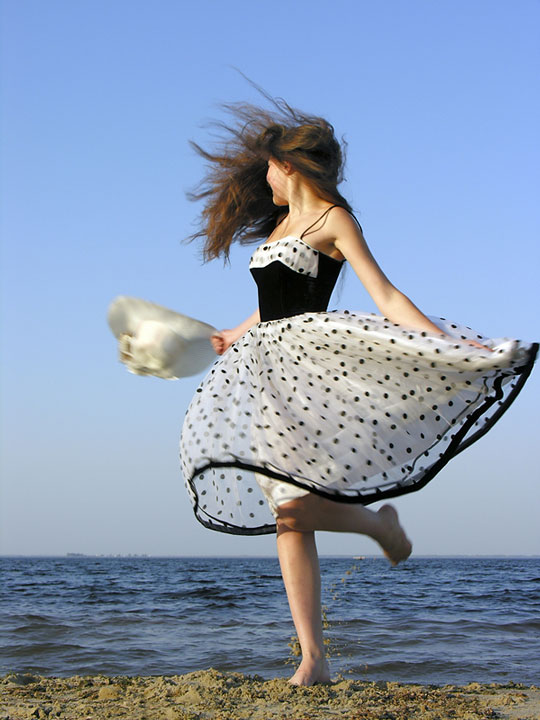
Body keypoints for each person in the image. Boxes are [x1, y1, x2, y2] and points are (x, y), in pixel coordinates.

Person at [180, 96, 537, 686]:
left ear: (288, 166)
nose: (262, 176)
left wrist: (453, 345)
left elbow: (386, 295)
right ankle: (313, 657)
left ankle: (377, 528)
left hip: (312, 376)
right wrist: (231, 333)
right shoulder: (280, 226)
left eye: (268, 167)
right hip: (265, 375)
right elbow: (269, 304)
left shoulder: (334, 221)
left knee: (293, 506)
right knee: (286, 516)